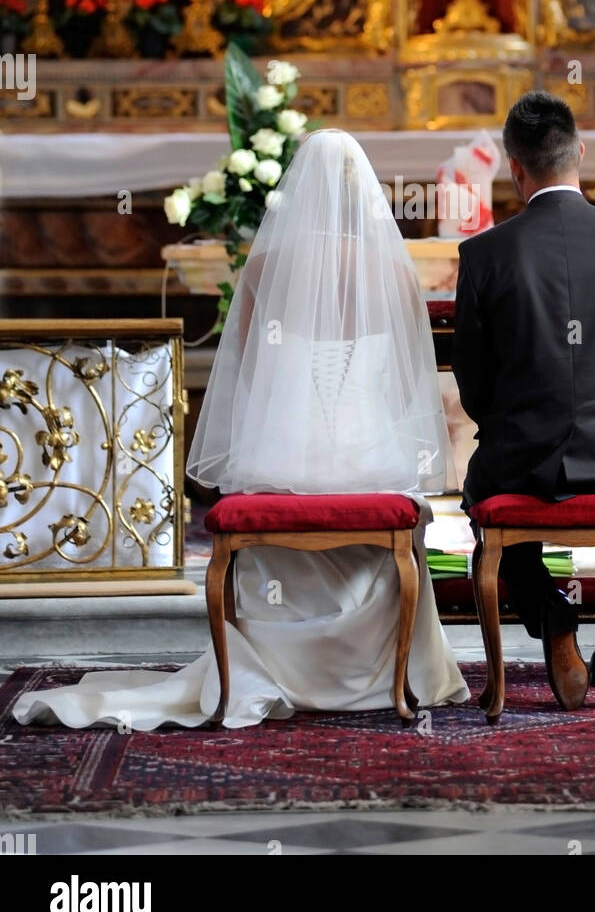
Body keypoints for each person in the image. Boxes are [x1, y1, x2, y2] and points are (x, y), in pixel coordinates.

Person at [14, 131, 468, 729]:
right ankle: (390, 675)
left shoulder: (264, 268)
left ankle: (268, 671)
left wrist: (286, 430)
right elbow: (410, 382)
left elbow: (248, 376)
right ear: (364, 195)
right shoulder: (392, 268)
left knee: (266, 506)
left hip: (283, 451)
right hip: (370, 456)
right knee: (399, 509)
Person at [453, 91, 595, 711]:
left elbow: (472, 378)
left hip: (524, 457)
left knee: (484, 496)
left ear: (513, 167)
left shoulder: (482, 254)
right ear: (580, 153)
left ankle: (555, 619)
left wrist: (511, 424)